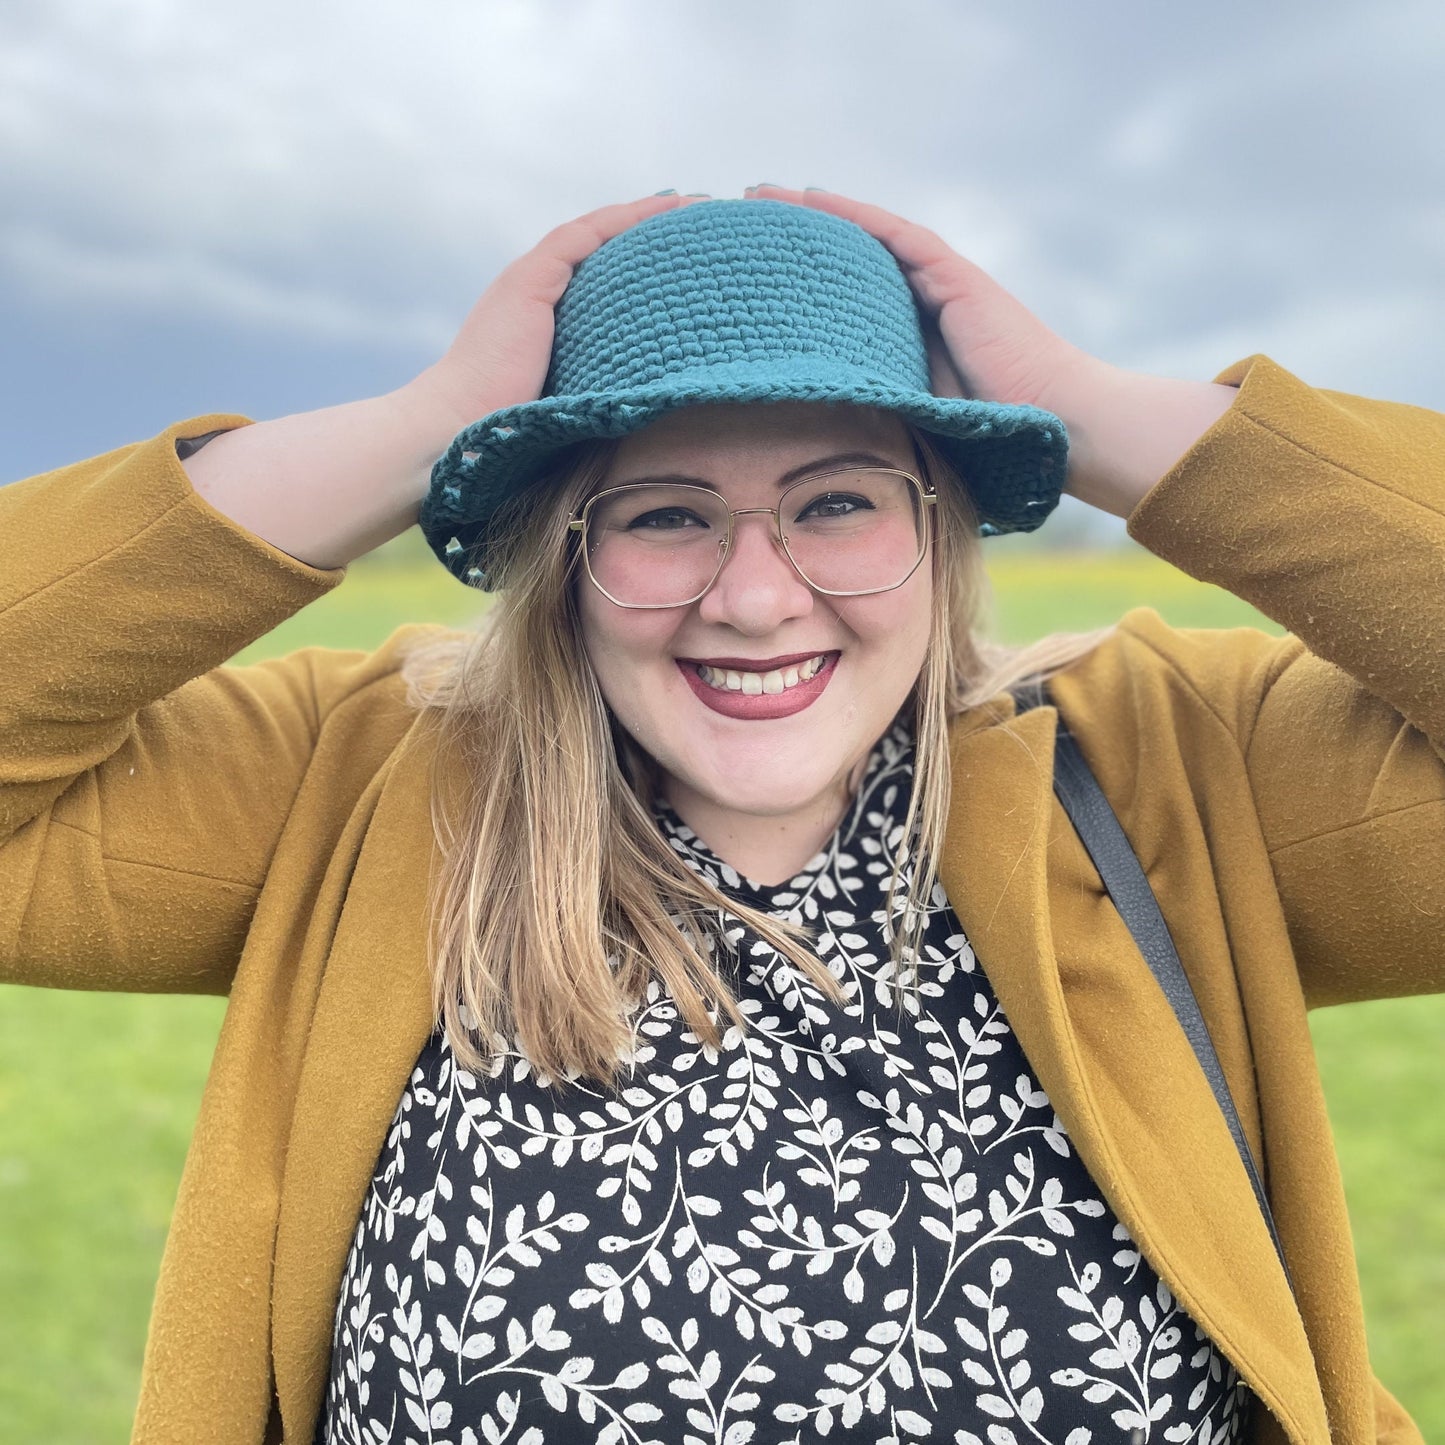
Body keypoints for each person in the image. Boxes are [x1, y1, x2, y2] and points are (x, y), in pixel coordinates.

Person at [1, 186, 1439, 1445]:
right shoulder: (362, 778)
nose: (754, 597)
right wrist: (422, 429)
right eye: (663, 515)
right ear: (561, 555)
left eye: (836, 504)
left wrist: (1090, 408)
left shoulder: (1174, 768)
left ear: (938, 529)